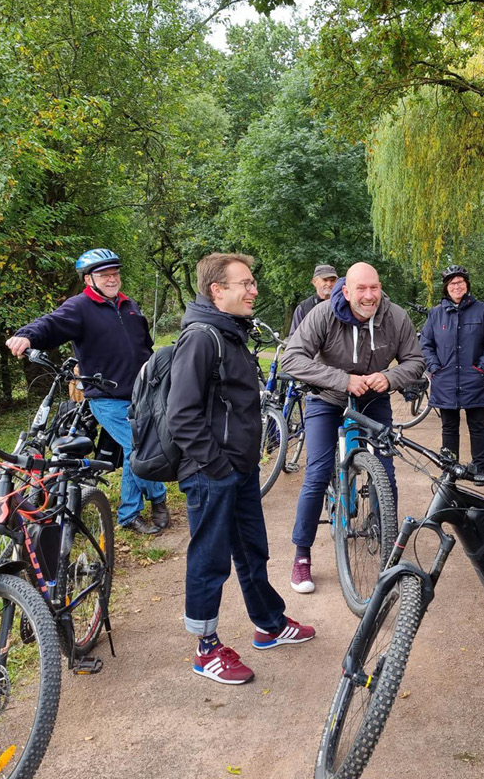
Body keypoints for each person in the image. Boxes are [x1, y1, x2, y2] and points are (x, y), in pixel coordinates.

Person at [166, 253, 316, 684]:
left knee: (252, 550)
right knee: (210, 559)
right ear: (218, 290)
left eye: (252, 283)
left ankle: (269, 623)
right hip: (212, 472)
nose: (254, 291)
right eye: (245, 284)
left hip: (239, 469)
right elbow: (182, 414)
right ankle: (205, 648)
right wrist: (217, 467)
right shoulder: (201, 337)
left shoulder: (229, 333)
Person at [280, 262, 426, 593]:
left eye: (373, 288)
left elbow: (415, 361)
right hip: (327, 398)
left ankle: (390, 548)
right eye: (361, 289)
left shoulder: (395, 317)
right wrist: (343, 380)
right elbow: (292, 359)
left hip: (374, 398)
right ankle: (302, 556)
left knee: (386, 473)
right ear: (345, 291)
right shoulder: (323, 315)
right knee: (317, 473)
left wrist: (388, 377)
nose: (369, 295)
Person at [6, 248, 168, 535]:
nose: (112, 278)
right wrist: (26, 335)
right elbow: (50, 323)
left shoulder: (129, 305)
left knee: (150, 444)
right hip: (106, 397)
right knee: (138, 446)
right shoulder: (79, 307)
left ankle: (156, 499)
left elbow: (144, 346)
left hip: (142, 392)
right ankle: (132, 513)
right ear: (88, 279)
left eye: (115, 273)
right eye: (104, 274)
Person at [420, 265, 484, 476]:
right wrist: (434, 367)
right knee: (449, 427)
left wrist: (483, 366)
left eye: (460, 282)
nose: (457, 286)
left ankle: (479, 468)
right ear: (446, 288)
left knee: (477, 426)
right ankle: (449, 469)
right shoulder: (436, 314)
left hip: (474, 378)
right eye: (452, 283)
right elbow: (426, 344)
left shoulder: (482, 309)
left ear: (467, 285)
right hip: (445, 378)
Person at [290, 264, 340, 334]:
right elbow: (294, 337)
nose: (329, 284)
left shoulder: (342, 305)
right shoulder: (303, 308)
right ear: (314, 282)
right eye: (325, 280)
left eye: (332, 280)